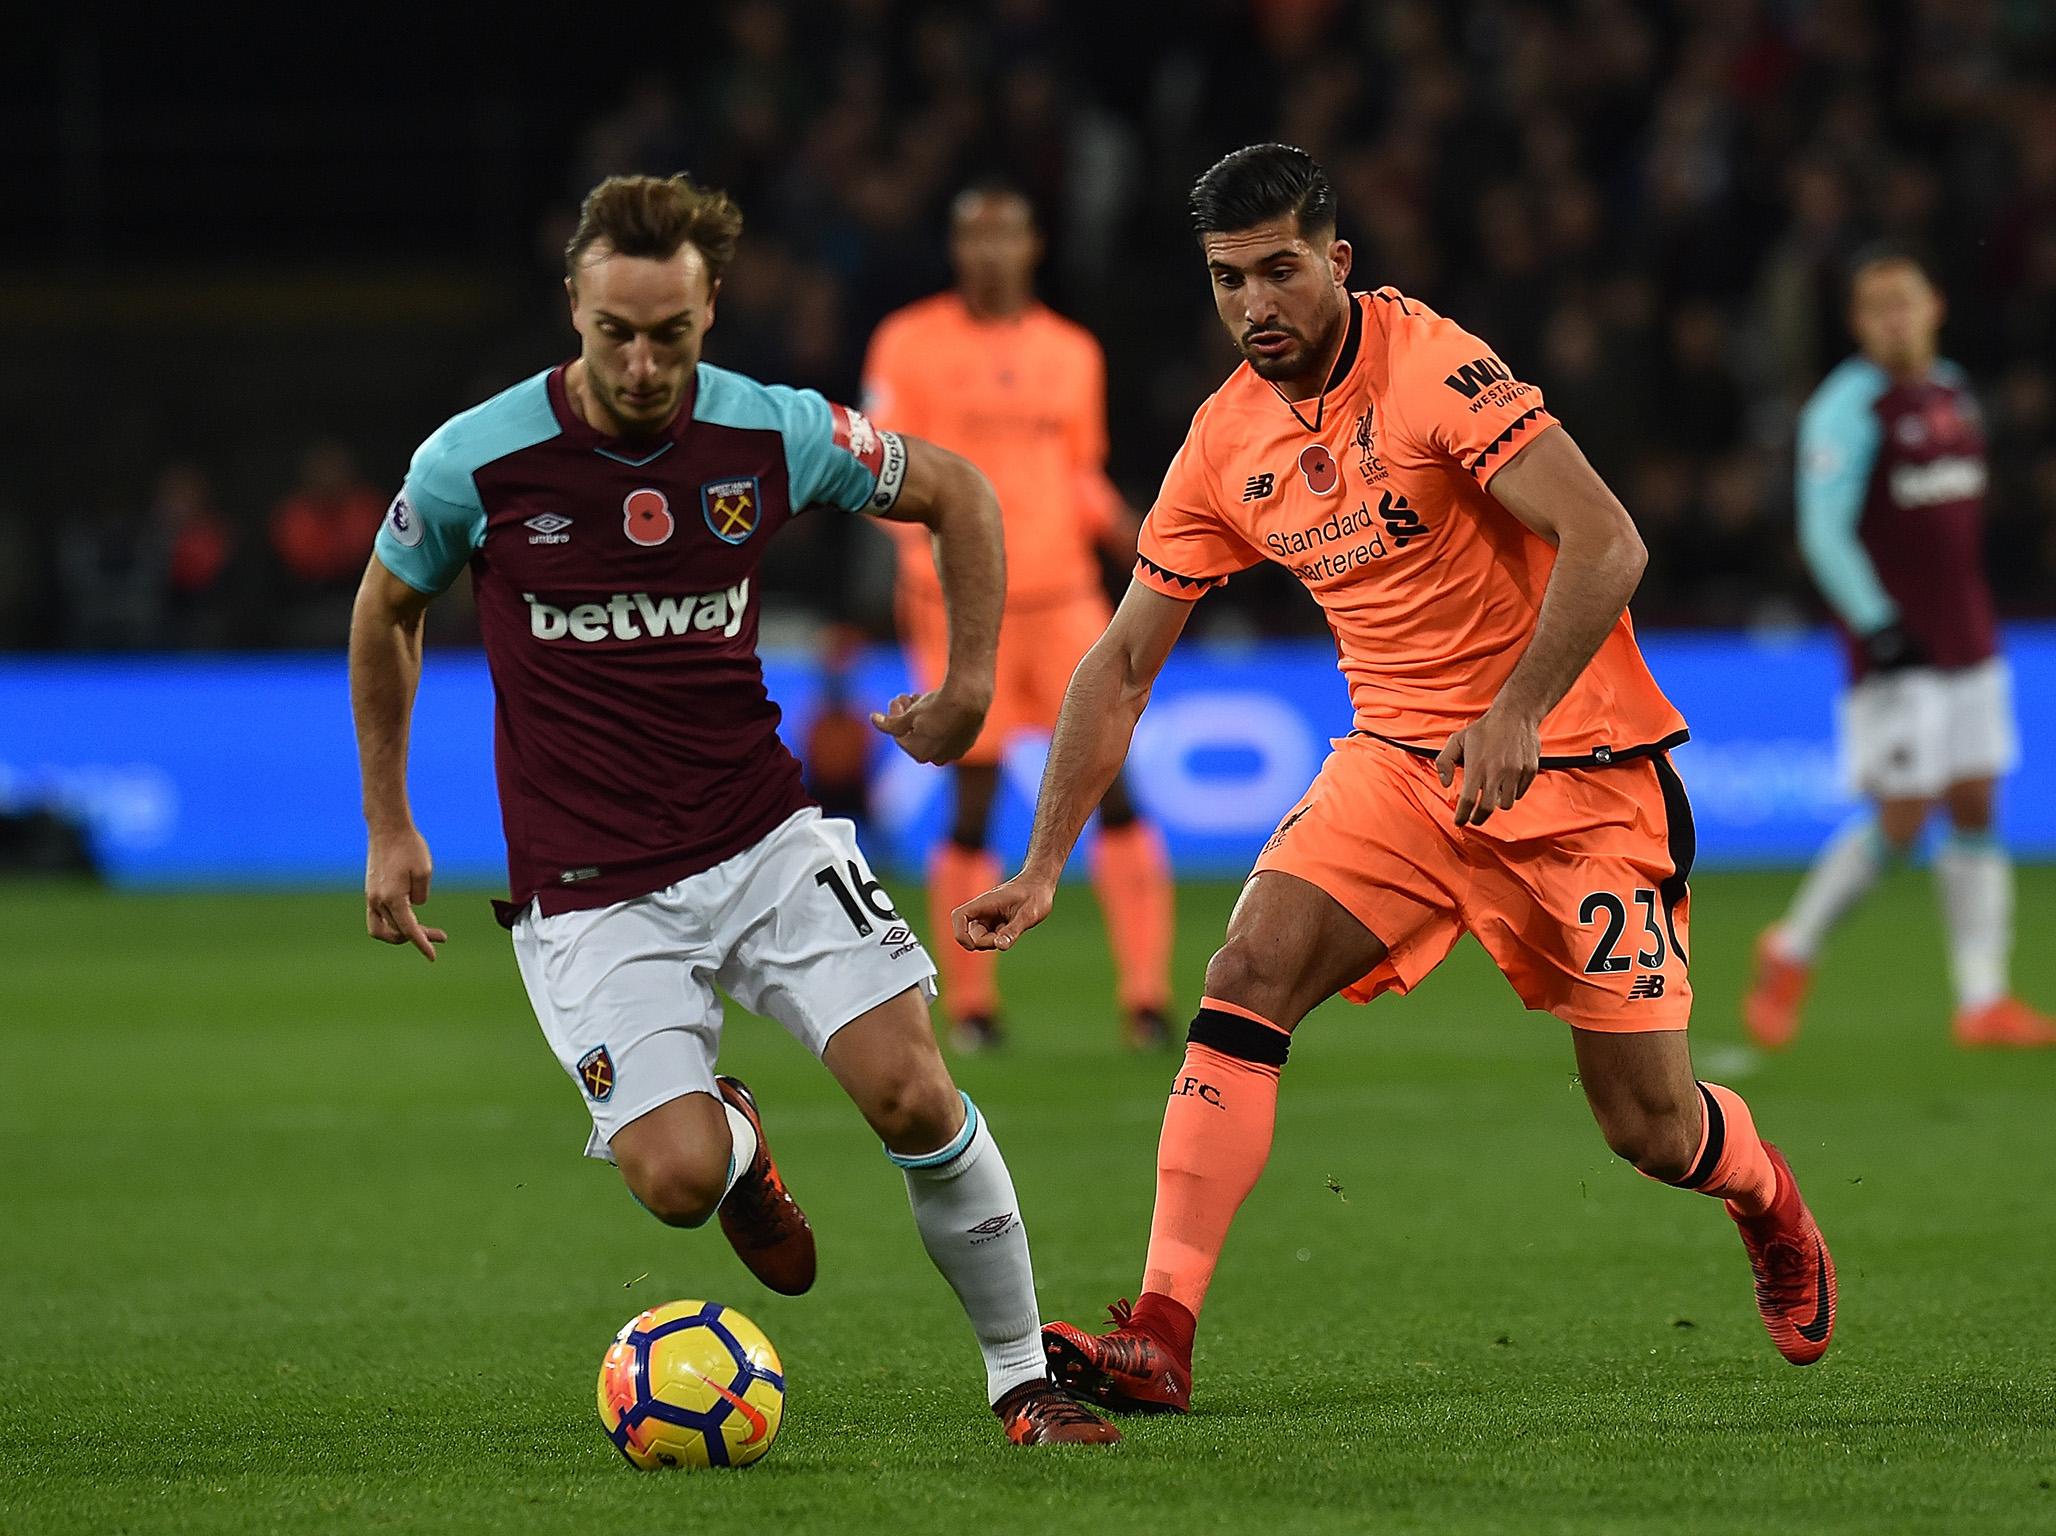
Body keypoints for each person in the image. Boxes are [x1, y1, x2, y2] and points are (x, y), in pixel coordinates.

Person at [953, 144, 1837, 1414]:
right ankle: (1160, 1329)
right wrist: (1044, 864)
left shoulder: (1431, 369)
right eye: (1226, 280)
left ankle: (1767, 1199)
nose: (1256, 305)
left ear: (1337, 260)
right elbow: (1122, 661)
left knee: (1646, 1126)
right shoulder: (1223, 441)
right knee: (1244, 975)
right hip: (1400, 773)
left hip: (1578, 776)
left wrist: (1518, 709)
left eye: (1279, 269)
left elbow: (1607, 541)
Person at [348, 173, 1115, 1448]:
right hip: (589, 888)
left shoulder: (769, 431)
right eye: (616, 334)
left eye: (673, 334)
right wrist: (390, 822)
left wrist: (972, 681)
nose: (644, 363)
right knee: (677, 1181)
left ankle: (1022, 1378)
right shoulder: (473, 462)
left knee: (915, 1096)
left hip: (761, 839)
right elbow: (387, 610)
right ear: (575, 311)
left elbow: (960, 493)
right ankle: (740, 1145)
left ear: (710, 310)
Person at [862, 185, 1175, 1053]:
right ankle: (971, 1008)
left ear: (1035, 245)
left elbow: (1077, 473)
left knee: (1112, 786)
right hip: (962, 607)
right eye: (973, 236)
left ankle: (1146, 999)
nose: (990, 252)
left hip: (1067, 599)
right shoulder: (908, 342)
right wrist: (928, 560)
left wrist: (1139, 536)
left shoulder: (1073, 352)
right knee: (974, 791)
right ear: (955, 249)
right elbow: (882, 472)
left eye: (1006, 234)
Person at [1745, 251, 2053, 1050]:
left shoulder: (1952, 390)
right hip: (1900, 646)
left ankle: (1983, 999)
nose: (1894, 319)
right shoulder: (1847, 408)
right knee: (1905, 818)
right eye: (1876, 308)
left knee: (1978, 801)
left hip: (1970, 636)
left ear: (1934, 306)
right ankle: (1791, 946)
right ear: (1858, 324)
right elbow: (1823, 529)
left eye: (1904, 303)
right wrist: (1877, 621)